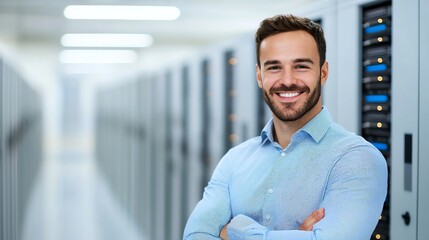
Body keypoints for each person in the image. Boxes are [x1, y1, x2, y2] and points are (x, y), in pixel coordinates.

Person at [183, 14, 387, 240]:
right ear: (260, 76)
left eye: (301, 66)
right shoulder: (234, 160)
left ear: (323, 73)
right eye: (274, 67)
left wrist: (234, 232)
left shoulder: (357, 159)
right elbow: (195, 235)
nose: (287, 80)